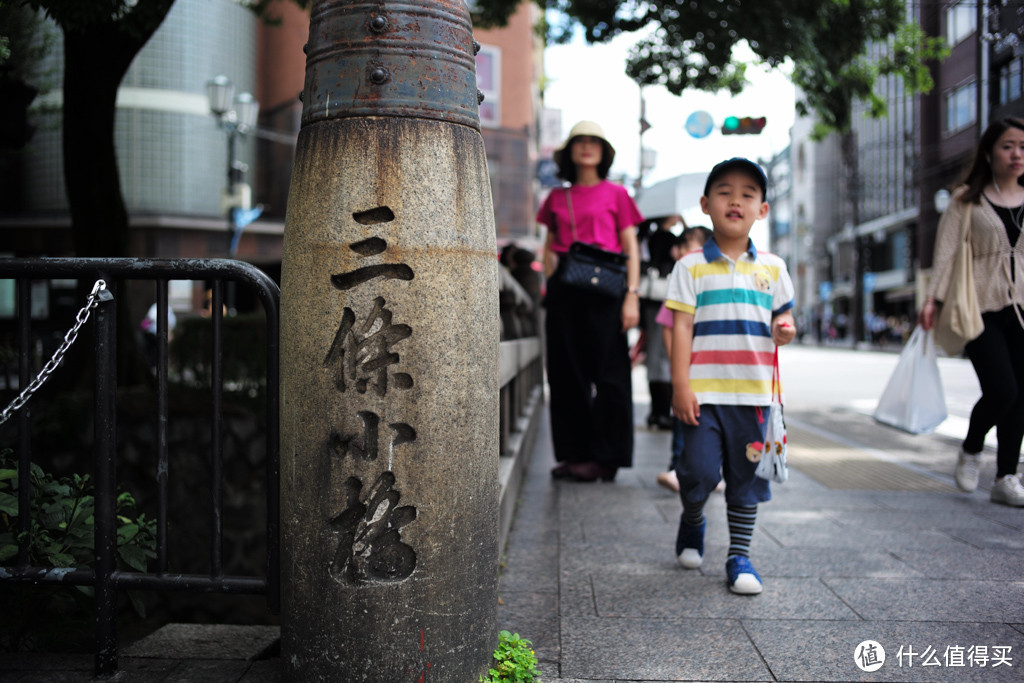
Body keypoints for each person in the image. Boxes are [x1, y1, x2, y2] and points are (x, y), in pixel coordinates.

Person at [665, 158, 796, 594]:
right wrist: (680, 385)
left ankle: (740, 555)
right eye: (724, 191)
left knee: (745, 479)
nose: (735, 200)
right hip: (702, 394)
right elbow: (680, 327)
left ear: (762, 210)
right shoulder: (689, 267)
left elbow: (785, 319)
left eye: (747, 193)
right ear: (706, 205)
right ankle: (693, 517)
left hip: (754, 396)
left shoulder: (774, 268)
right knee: (698, 471)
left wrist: (785, 330)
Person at [918, 117, 1024, 507]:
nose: (1017, 154)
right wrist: (932, 299)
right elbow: (944, 255)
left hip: (1022, 309)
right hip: (977, 306)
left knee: (1022, 396)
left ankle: (1006, 477)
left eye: (1023, 147)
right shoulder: (967, 199)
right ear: (990, 152)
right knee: (1003, 389)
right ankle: (972, 447)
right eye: (1008, 146)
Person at [536, 120, 644, 483]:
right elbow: (548, 246)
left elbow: (630, 246)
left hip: (608, 287)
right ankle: (576, 455)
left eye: (594, 141)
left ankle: (607, 456)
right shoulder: (555, 197)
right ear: (569, 151)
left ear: (604, 151)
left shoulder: (617, 194)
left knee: (611, 373)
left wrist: (632, 297)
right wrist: (550, 283)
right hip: (566, 288)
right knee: (566, 375)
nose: (587, 147)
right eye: (579, 141)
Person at [655, 227, 713, 493]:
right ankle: (676, 467)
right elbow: (670, 328)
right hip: (687, 369)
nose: (680, 251)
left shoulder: (709, 280)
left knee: (705, 421)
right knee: (683, 419)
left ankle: (707, 470)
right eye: (681, 246)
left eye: (688, 245)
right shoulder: (680, 282)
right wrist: (678, 364)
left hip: (708, 369)